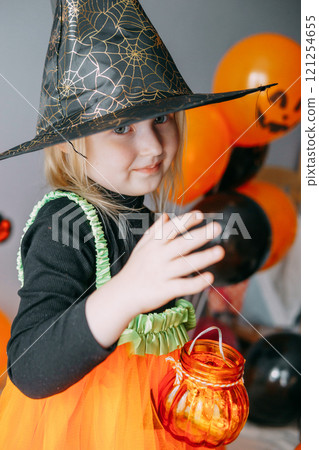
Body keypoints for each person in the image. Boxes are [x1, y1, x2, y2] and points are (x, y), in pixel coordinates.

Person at [0, 1, 271, 448]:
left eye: (161, 118)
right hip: (82, 430)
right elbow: (30, 369)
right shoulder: (63, 224)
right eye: (122, 127)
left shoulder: (148, 220)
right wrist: (127, 290)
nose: (153, 147)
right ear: (72, 140)